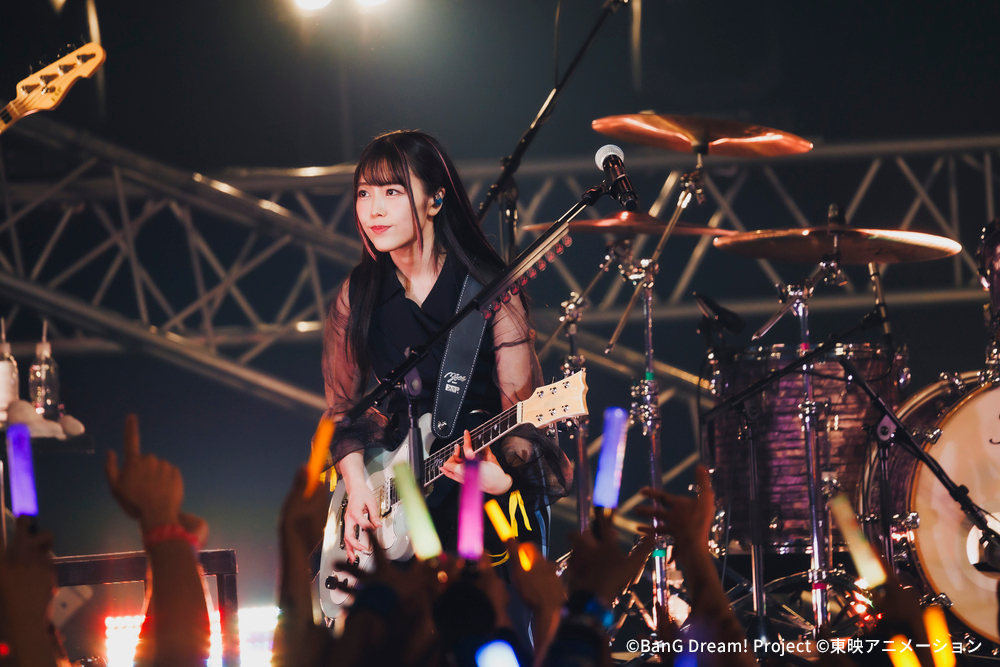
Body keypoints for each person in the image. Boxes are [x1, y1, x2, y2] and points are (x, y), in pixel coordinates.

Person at [322, 131, 572, 619]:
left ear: (435, 200)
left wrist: (502, 479)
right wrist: (357, 490)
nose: (374, 210)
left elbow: (524, 421)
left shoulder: (490, 290)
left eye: (392, 192)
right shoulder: (359, 293)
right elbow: (341, 411)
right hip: (394, 511)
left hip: (479, 513)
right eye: (364, 193)